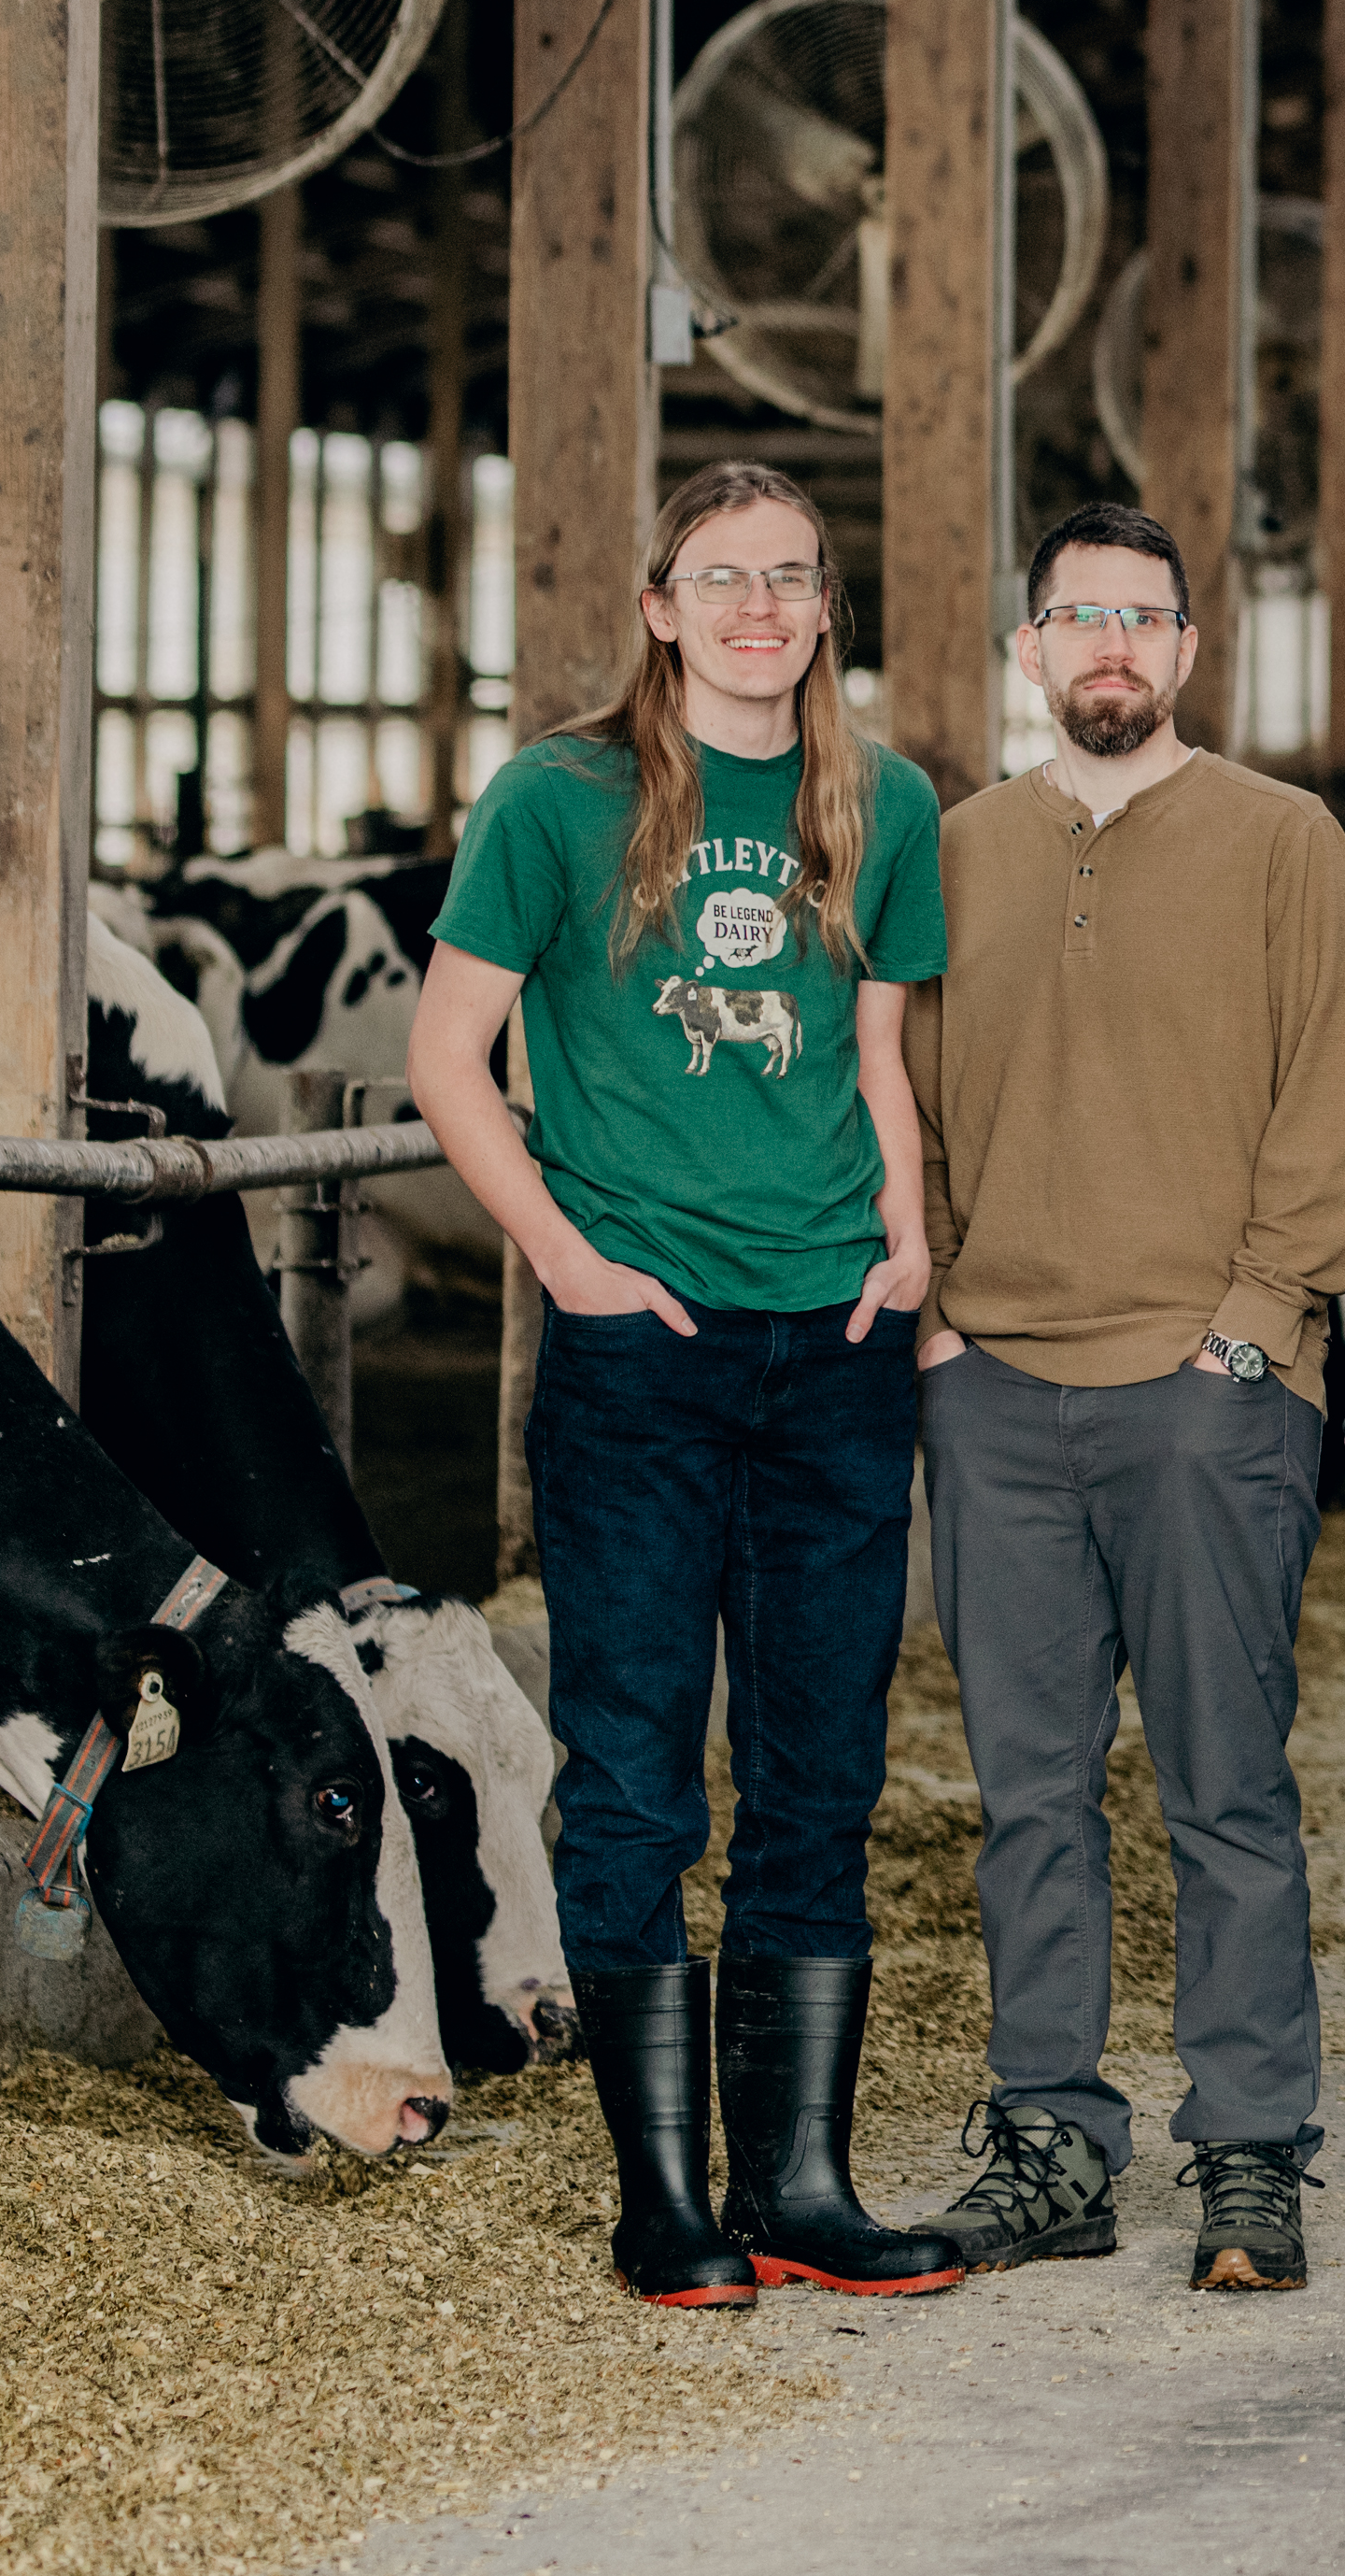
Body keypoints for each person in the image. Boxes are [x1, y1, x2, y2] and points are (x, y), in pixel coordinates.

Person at [409, 461, 962, 2309]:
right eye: (721, 578)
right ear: (659, 604)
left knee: (820, 1768)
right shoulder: (559, 799)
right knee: (638, 1766)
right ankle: (666, 2201)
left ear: (824, 608)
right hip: (639, 1349)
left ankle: (799, 2181)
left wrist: (909, 1238)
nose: (758, 607)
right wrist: (567, 1257)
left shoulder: (879, 800)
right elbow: (446, 1051)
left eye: (791, 578)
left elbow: (877, 1047)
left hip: (838, 1346)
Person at [901, 503, 1345, 2296]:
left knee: (1225, 1784)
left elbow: (1332, 1106)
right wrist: (941, 1320)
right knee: (1027, 1793)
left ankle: (1250, 2152)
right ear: (1031, 650)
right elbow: (918, 1103)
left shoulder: (1282, 842)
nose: (1111, 645)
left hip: (1209, 1388)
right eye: (1076, 616)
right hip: (998, 1388)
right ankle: (1051, 2144)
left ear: (1188, 650)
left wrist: (1255, 1332)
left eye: (1144, 618)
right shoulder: (950, 852)